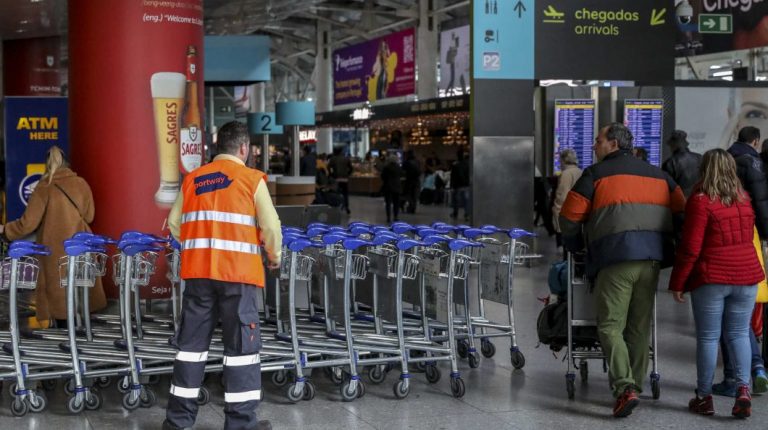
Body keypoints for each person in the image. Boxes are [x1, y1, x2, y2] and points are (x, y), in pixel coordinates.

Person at [560, 123, 686, 418]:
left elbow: (569, 217)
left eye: (598, 140)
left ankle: (624, 387)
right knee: (639, 327)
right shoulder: (660, 176)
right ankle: (635, 385)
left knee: (609, 325)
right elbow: (682, 212)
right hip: (652, 261)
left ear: (614, 144)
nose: (594, 145)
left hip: (615, 258)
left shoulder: (595, 175)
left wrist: (576, 246)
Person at [163, 121, 281, 430]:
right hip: (238, 276)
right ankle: (240, 424)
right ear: (244, 148)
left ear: (218, 148)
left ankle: (178, 422)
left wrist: (199, 243)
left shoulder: (193, 180)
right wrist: (274, 256)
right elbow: (271, 226)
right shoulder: (251, 179)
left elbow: (174, 223)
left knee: (190, 348)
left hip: (198, 275)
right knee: (241, 350)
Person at [669, 149, 762, 419]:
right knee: (740, 333)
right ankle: (743, 391)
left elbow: (690, 248)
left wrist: (678, 282)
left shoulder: (700, 201)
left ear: (705, 169)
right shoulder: (744, 199)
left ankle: (704, 397)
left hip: (712, 277)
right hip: (746, 276)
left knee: (709, 337)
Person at [0, 146, 106, 328]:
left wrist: (6, 230)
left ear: (47, 165)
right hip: (81, 244)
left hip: (55, 249)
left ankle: (64, 332)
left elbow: (28, 223)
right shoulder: (81, 183)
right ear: (67, 163)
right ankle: (82, 331)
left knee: (58, 295)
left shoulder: (44, 186)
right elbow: (89, 216)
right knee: (80, 287)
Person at [714, 126, 768, 396]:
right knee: (742, 321)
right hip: (751, 252)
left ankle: (725, 382)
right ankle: (755, 368)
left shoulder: (706, 197)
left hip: (717, 269)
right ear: (755, 141)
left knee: (720, 328)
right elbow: (762, 205)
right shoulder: (751, 176)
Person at [551, 149, 582, 252]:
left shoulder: (565, 174)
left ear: (563, 160)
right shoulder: (580, 172)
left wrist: (556, 209)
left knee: (564, 245)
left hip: (566, 213)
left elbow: (562, 195)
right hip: (578, 212)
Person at [662, 130, 702, 198]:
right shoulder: (700, 158)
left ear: (674, 145)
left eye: (670, 145)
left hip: (679, 200)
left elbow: (666, 187)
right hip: (697, 199)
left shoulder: (670, 162)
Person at [328, 147, 352, 214]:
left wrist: (331, 174)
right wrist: (348, 174)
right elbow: (351, 168)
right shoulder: (346, 158)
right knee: (345, 194)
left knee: (337, 194)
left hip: (336, 179)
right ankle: (346, 207)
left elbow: (328, 167)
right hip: (345, 179)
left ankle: (338, 207)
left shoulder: (333, 159)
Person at [380, 154, 402, 223]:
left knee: (388, 203)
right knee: (396, 203)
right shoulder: (398, 167)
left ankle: (388, 217)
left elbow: (383, 176)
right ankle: (396, 216)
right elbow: (401, 175)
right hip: (397, 186)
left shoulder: (386, 167)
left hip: (388, 187)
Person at [450, 148, 470, 221]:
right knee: (466, 201)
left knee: (456, 200)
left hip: (457, 185)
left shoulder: (455, 165)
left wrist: (452, 186)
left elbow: (453, 176)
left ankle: (455, 213)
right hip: (466, 185)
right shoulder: (468, 164)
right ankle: (467, 214)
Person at [402, 150, 421, 214]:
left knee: (409, 195)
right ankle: (413, 208)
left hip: (409, 180)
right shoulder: (417, 162)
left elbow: (403, 171)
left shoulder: (406, 162)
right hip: (417, 180)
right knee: (414, 195)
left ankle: (410, 207)